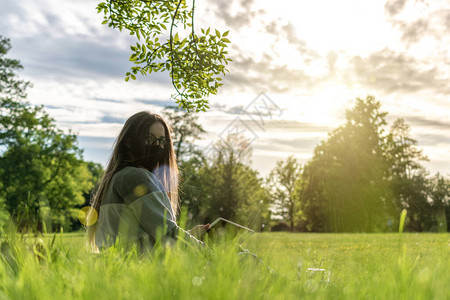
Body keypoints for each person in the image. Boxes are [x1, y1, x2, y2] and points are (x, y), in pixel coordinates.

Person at [86, 111, 209, 253]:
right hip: (138, 269)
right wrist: (209, 253)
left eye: (162, 141)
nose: (157, 146)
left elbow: (146, 237)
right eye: (148, 138)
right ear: (128, 142)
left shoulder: (120, 177)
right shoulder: (134, 176)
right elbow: (166, 233)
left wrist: (189, 235)